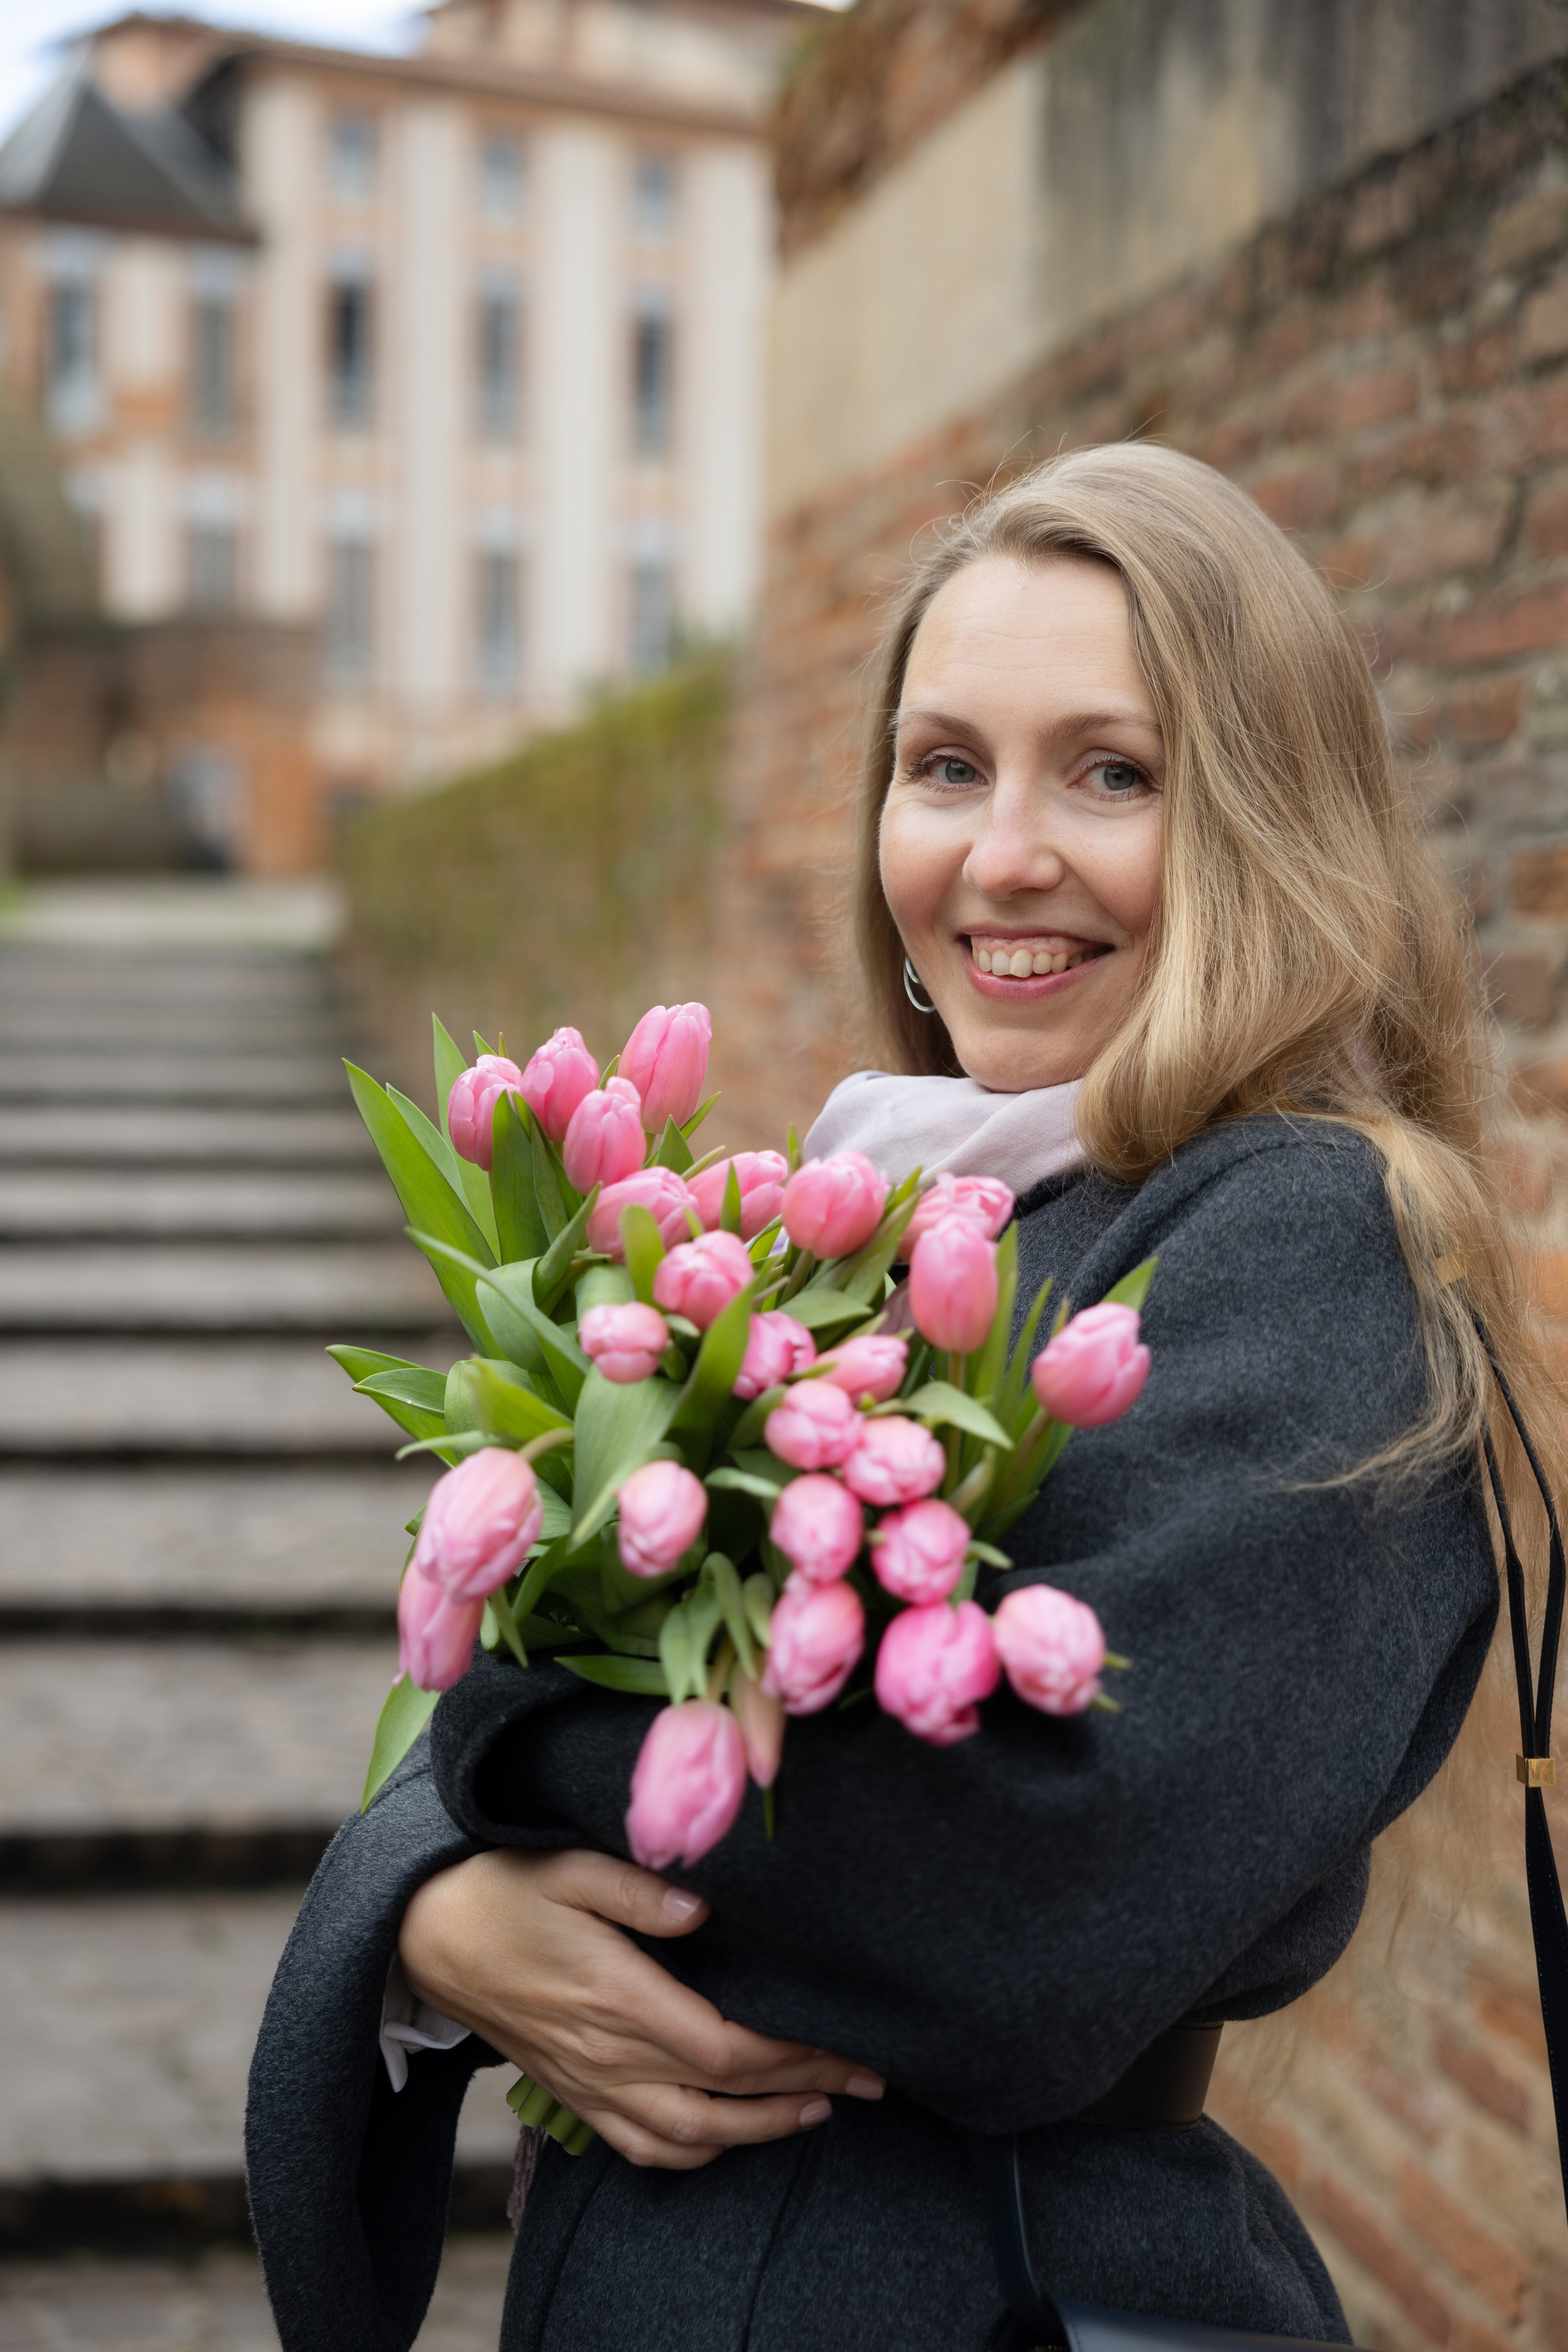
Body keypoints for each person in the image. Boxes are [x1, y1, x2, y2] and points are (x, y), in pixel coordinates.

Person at [247, 443, 1535, 2350]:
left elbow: (1024, 1899)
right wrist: (430, 1928)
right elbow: (735, 1767)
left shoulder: (1311, 1238)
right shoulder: (892, 1218)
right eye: (946, 767)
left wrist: (476, 1764)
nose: (1001, 855)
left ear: (1270, 818)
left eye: (1115, 772)